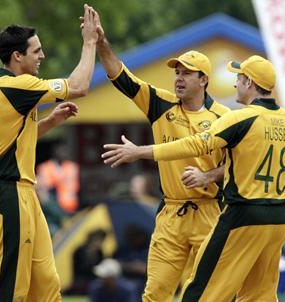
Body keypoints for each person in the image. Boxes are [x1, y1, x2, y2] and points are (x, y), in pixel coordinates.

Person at [102, 55, 285, 301]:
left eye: (239, 79)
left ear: (249, 83)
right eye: (177, 72)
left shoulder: (236, 117)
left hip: (237, 211)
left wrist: (140, 152)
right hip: (277, 215)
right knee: (259, 293)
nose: (235, 84)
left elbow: (196, 145)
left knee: (204, 291)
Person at [85, 8, 230, 301]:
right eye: (176, 72)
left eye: (186, 73)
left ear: (203, 80)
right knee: (155, 294)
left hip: (210, 212)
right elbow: (119, 76)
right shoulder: (160, 104)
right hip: (171, 214)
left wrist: (208, 175)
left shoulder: (224, 116)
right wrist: (101, 43)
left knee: (210, 293)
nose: (178, 78)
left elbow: (236, 166)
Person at [0, 4, 99, 301]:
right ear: (17, 56)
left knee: (45, 283)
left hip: (22, 193)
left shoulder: (3, 89)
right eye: (36, 51)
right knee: (8, 290)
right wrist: (90, 41)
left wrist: (50, 122)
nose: (42, 56)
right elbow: (80, 86)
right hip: (7, 195)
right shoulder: (16, 85)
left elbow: (15, 141)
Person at [37, 142, 80, 214]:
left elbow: (77, 188)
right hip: (54, 209)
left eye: (65, 150)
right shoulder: (45, 167)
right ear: (54, 151)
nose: (64, 152)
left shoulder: (72, 167)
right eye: (61, 149)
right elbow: (45, 191)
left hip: (72, 208)